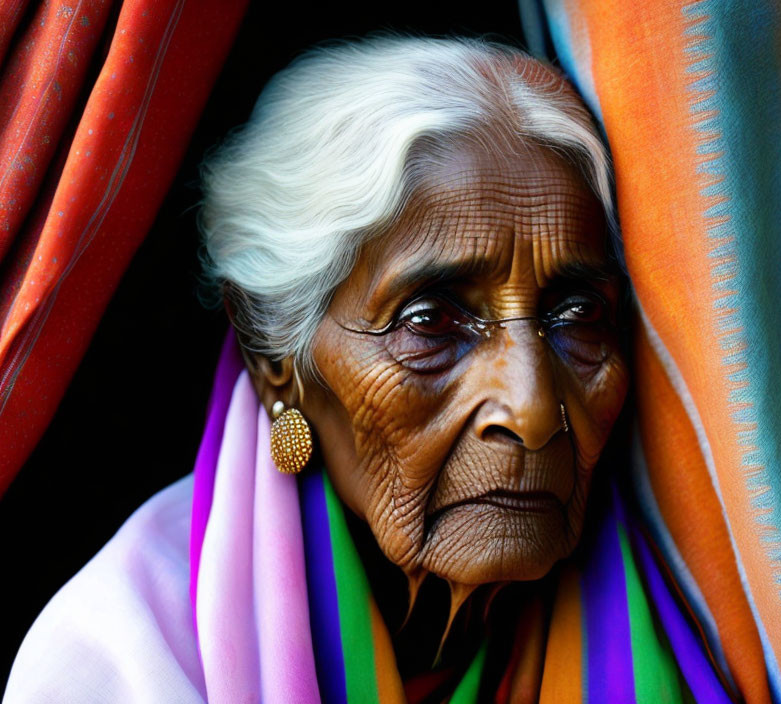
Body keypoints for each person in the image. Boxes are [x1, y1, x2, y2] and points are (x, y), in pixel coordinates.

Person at [4, 36, 732, 703]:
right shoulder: (121, 662)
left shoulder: (721, 613)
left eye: (576, 317)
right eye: (431, 323)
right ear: (277, 362)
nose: (534, 410)